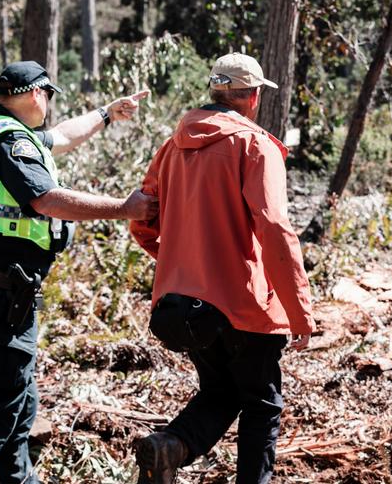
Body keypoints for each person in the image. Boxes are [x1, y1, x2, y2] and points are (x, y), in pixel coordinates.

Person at [0, 60, 157, 484]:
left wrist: (106, 114)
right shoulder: (11, 144)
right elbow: (46, 200)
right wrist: (125, 208)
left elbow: (60, 138)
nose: (48, 104)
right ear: (36, 94)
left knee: (20, 401)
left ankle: (20, 480)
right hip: (3, 289)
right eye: (47, 95)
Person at [129, 53, 315, 484]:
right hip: (242, 306)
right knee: (262, 405)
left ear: (215, 92)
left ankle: (169, 447)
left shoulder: (172, 147)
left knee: (221, 391)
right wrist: (299, 311)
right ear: (252, 98)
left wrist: (179, 263)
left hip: (180, 304)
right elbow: (273, 227)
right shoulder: (255, 145)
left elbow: (142, 220)